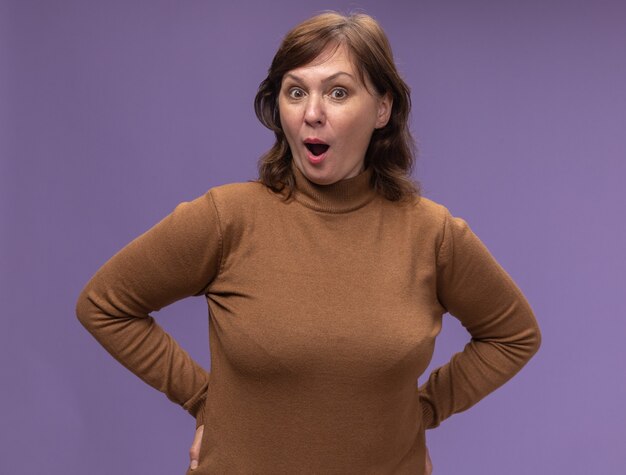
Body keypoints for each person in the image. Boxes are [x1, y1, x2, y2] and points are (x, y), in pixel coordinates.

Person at [76, 11, 541, 475]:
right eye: (296, 92)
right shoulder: (226, 219)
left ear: (383, 109)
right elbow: (105, 304)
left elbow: (513, 336)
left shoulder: (432, 234)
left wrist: (420, 415)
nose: (312, 112)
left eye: (338, 92)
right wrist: (205, 404)